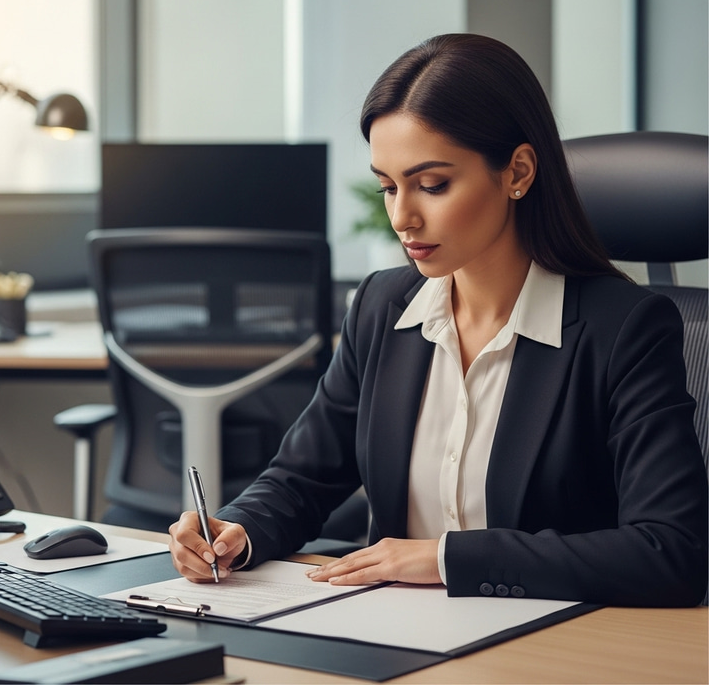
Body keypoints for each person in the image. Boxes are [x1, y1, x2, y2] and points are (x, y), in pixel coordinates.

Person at [169, 33, 708, 607]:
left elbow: (670, 552)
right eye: (387, 186)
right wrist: (236, 531)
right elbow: (303, 476)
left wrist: (448, 558)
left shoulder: (625, 329)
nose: (402, 217)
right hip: (389, 632)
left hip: (545, 643)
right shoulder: (382, 307)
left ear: (518, 172)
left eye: (432, 185)